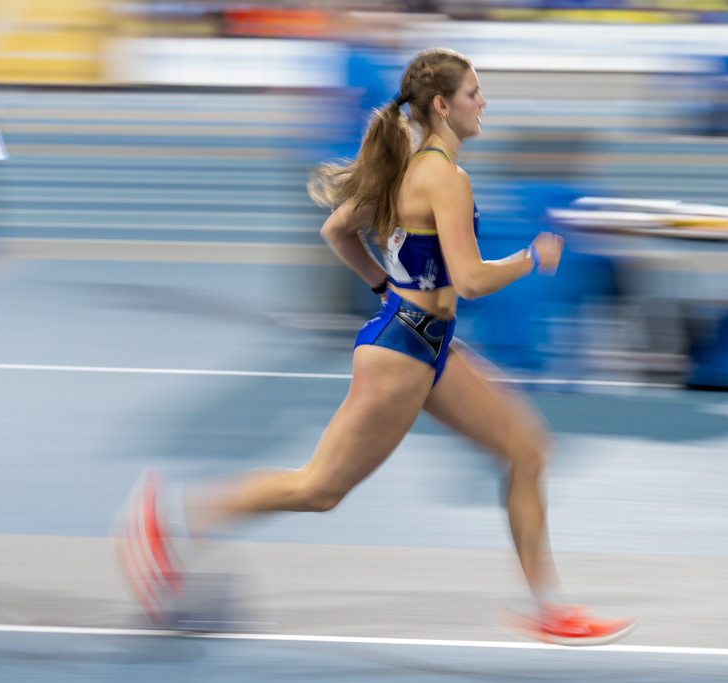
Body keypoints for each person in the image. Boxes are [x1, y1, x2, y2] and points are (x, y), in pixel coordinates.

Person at [114, 47, 636, 646]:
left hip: (426, 344)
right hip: (401, 355)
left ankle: (550, 610)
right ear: (442, 105)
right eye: (473, 93)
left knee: (527, 452)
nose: (483, 102)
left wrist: (382, 285)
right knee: (318, 489)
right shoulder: (445, 178)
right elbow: (469, 280)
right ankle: (170, 522)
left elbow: (337, 229)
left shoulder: (408, 167)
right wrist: (531, 259)